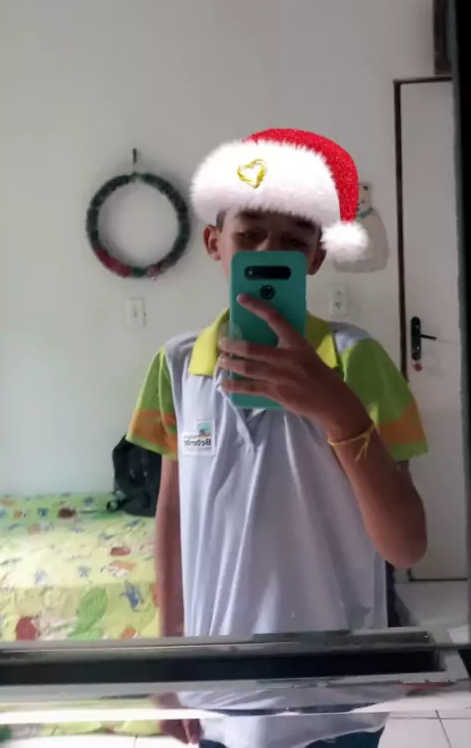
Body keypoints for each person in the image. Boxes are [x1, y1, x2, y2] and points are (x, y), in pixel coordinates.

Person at [127, 128, 428, 748]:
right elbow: (174, 518)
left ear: (316, 257)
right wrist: (169, 660)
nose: (271, 251)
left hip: (338, 689)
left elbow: (406, 546)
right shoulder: (179, 366)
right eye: (251, 234)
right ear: (214, 243)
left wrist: (337, 410)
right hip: (220, 685)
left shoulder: (356, 359)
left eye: (294, 241)